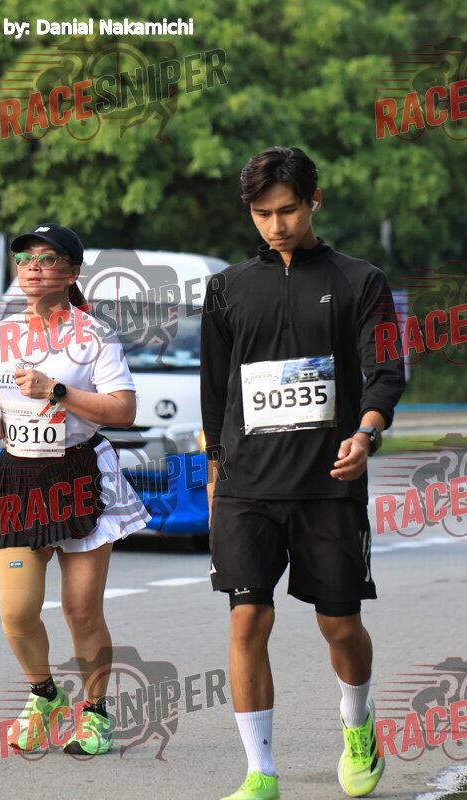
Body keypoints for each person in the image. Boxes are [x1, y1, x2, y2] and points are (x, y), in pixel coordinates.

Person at [200, 147, 405, 799]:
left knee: (339, 625)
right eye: (262, 214)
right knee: (246, 620)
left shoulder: (360, 280)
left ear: (315, 201)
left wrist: (365, 433)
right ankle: (259, 772)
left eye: (287, 210)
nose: (276, 225)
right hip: (246, 486)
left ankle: (357, 722)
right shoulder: (227, 288)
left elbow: (384, 372)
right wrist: (215, 470)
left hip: (328, 485)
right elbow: (215, 389)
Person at [0, 223, 151, 755]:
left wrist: (56, 390)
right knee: (16, 611)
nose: (33, 267)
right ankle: (45, 695)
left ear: (72, 272)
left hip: (79, 474)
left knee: (81, 610)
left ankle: (95, 712)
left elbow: (123, 410)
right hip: (19, 475)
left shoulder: (94, 336)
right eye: (25, 258)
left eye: (47, 258)